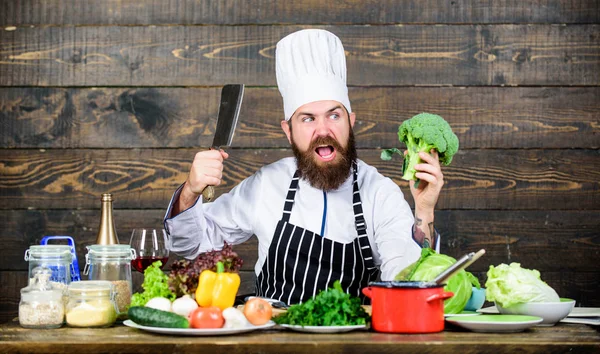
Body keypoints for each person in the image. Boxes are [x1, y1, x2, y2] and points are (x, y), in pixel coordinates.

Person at [164, 29, 444, 305]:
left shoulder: (379, 193)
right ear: (288, 131)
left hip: (351, 344)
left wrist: (424, 210)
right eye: (307, 119)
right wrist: (191, 190)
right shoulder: (266, 185)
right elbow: (190, 245)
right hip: (270, 340)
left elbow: (409, 281)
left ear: (351, 121)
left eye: (334, 115)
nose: (323, 130)